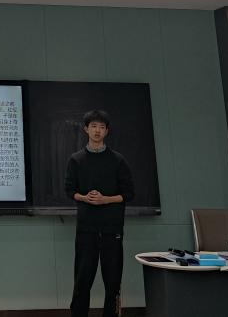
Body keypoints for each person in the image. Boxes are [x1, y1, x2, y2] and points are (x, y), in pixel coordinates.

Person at [64, 110, 134, 317]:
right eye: (93, 126)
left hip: (112, 228)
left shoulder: (118, 160)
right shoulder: (76, 160)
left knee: (113, 281)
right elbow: (69, 190)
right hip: (86, 228)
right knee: (82, 280)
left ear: (107, 131)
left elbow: (129, 193)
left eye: (102, 127)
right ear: (86, 129)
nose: (97, 131)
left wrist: (106, 199)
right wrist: (84, 198)